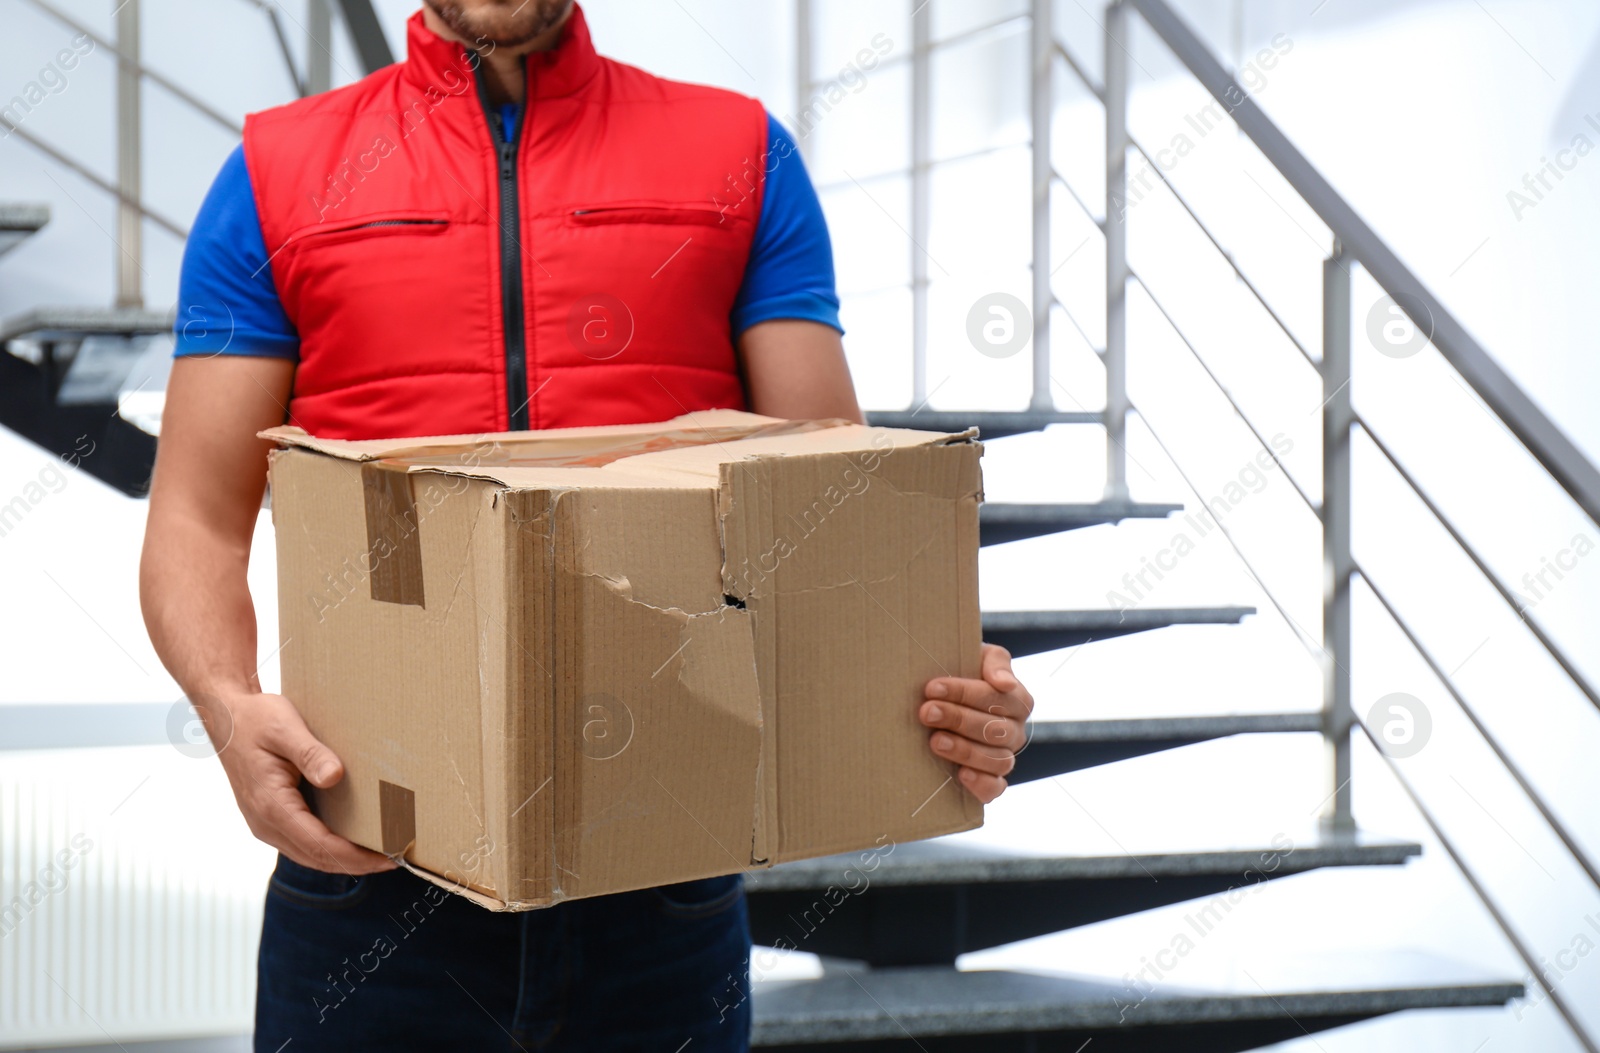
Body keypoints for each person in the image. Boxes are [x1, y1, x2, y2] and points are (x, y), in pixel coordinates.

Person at [139, 2, 1034, 1049]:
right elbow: (198, 518)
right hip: (369, 878)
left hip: (662, 891)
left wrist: (941, 688)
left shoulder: (736, 153)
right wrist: (229, 710)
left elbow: (830, 513)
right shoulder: (277, 171)